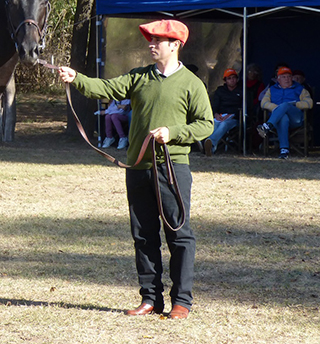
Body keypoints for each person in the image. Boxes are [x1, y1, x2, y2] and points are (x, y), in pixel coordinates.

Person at [57, 19, 212, 320]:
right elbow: (106, 88)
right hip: (137, 168)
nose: (151, 45)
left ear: (175, 44)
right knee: (143, 236)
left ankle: (182, 301)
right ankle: (150, 299)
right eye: (150, 40)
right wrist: (76, 78)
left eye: (157, 40)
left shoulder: (192, 84)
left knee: (179, 235)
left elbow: (205, 125)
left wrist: (174, 132)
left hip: (172, 168)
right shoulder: (139, 77)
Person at [257, 66, 313, 159]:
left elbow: (309, 103)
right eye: (283, 77)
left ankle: (268, 126)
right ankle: (284, 150)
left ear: (292, 78)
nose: (287, 79)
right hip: (279, 119)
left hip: (296, 119)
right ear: (278, 79)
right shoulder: (272, 89)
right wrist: (277, 109)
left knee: (286, 105)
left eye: (289, 76)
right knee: (283, 118)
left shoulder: (300, 89)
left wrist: (294, 105)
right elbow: (264, 103)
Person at [204, 68, 243, 156]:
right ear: (225, 81)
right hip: (220, 116)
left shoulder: (242, 90)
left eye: (234, 78)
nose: (232, 80)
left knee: (224, 124)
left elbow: (245, 107)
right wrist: (216, 114)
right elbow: (215, 105)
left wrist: (232, 114)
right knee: (213, 124)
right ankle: (209, 146)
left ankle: (210, 144)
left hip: (234, 117)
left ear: (237, 79)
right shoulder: (220, 90)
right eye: (229, 78)